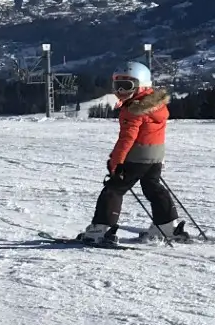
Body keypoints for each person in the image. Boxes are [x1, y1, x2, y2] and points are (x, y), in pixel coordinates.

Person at [77, 62, 189, 244]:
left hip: (136, 156)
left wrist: (116, 161)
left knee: (114, 189)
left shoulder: (133, 110)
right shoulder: (157, 107)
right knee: (152, 187)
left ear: (142, 85)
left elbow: (127, 138)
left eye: (127, 86)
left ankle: (101, 229)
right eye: (117, 85)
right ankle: (167, 226)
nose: (120, 91)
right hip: (155, 156)